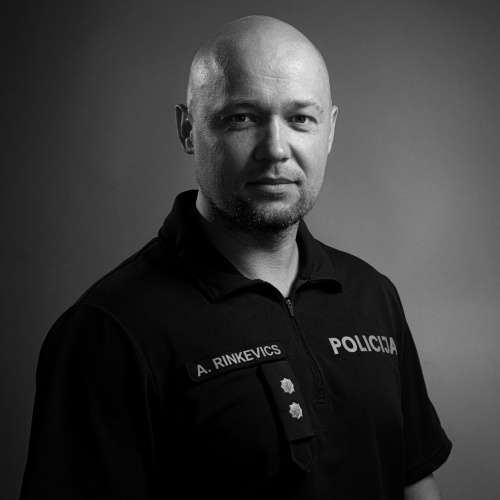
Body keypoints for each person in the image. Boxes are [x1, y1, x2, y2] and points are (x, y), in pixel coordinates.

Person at [20, 15, 451, 500]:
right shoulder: (109, 331)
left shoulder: (373, 295)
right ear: (188, 129)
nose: (275, 150)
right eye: (242, 118)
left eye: (300, 119)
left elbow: (413, 479)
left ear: (329, 131)